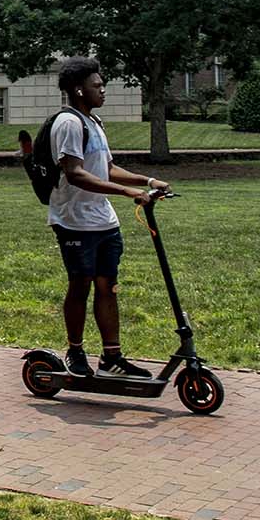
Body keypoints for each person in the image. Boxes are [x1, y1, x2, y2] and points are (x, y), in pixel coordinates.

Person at [46, 57, 171, 380]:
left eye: (102, 85)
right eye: (96, 86)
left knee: (108, 287)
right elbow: (75, 174)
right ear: (78, 90)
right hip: (74, 220)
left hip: (103, 221)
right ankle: (75, 350)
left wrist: (146, 181)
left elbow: (107, 168)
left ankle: (111, 356)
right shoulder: (69, 123)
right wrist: (128, 194)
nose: (103, 90)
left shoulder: (94, 122)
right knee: (81, 285)